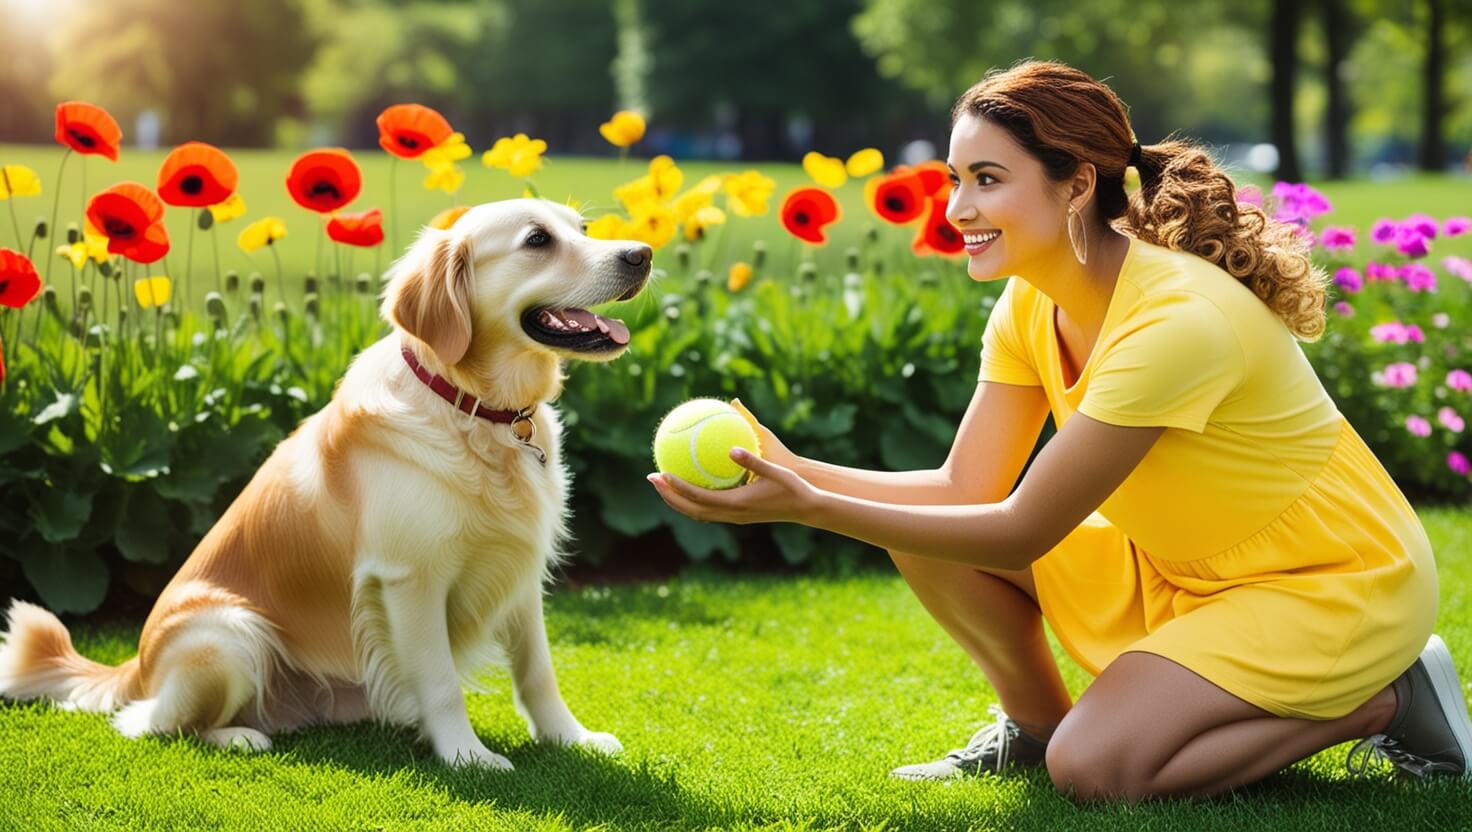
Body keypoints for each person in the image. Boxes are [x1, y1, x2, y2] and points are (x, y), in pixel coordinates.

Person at [646, 60, 1472, 801]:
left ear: (1076, 184)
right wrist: (797, 469)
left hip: (1329, 583)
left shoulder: (1178, 322)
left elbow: (1022, 530)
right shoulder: (1031, 299)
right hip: (1181, 565)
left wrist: (808, 507)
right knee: (932, 539)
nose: (958, 208)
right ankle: (1035, 731)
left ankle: (1389, 695)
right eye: (955, 178)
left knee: (1100, 772)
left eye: (987, 179)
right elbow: (962, 490)